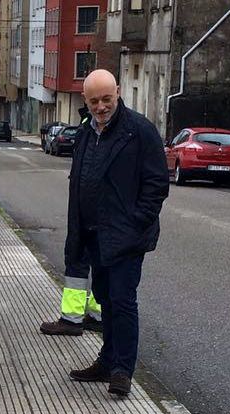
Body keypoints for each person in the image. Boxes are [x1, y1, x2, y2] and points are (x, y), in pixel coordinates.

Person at [61, 69, 169, 397]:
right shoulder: (84, 134)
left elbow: (157, 183)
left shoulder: (139, 131)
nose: (101, 106)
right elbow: (79, 182)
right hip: (95, 234)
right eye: (95, 101)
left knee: (122, 301)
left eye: (107, 99)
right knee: (105, 300)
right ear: (86, 101)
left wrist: (137, 221)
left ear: (118, 93)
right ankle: (106, 361)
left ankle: (123, 369)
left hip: (127, 237)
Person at [40, 104, 101, 336]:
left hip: (87, 208)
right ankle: (94, 316)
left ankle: (73, 319)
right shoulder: (90, 126)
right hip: (85, 206)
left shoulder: (94, 127)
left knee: (79, 259)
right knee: (92, 261)